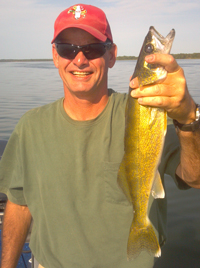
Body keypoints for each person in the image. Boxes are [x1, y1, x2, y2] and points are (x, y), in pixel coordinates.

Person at [0, 3, 200, 268]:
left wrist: (188, 119)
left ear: (112, 55)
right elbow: (19, 203)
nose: (79, 59)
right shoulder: (29, 127)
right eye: (67, 48)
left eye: (92, 48)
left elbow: (195, 177)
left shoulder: (146, 110)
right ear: (55, 56)